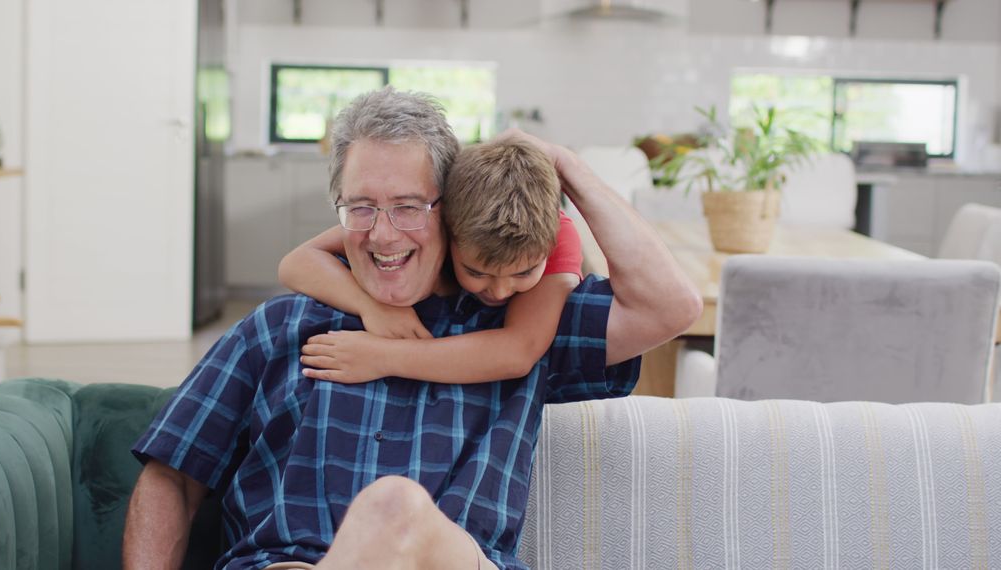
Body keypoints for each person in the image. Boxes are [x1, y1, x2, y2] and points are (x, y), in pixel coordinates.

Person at [123, 87, 702, 570]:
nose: (382, 234)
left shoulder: (519, 313)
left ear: (448, 210)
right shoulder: (280, 325)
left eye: (406, 206)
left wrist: (565, 168)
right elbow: (171, 478)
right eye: (361, 208)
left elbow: (670, 306)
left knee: (396, 509)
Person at [278, 137, 583, 385]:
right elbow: (295, 263)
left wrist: (382, 356)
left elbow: (517, 353)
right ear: (446, 223)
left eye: (525, 272)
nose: (500, 292)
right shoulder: (455, 214)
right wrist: (372, 306)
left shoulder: (550, 229)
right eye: (476, 271)